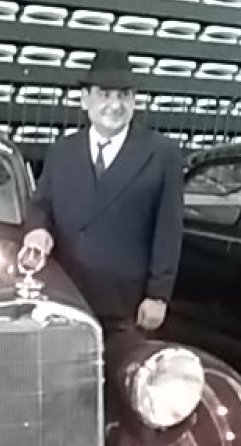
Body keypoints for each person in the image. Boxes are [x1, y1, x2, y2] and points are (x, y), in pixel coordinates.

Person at [23, 48, 185, 338]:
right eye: (104, 94)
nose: (115, 105)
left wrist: (158, 295)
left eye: (124, 95)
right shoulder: (62, 151)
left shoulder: (162, 155)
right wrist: (37, 230)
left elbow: (168, 231)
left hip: (124, 305)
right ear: (85, 99)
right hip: (63, 295)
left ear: (134, 100)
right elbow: (41, 206)